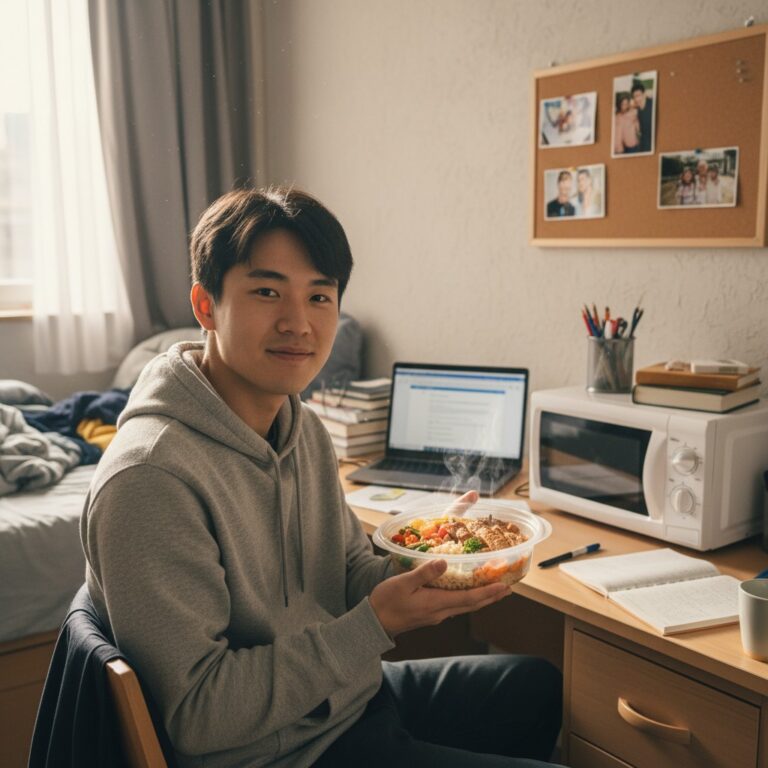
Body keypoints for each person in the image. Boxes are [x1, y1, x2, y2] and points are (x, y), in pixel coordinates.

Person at [80, 186, 563, 768]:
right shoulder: (151, 479)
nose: (298, 323)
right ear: (205, 305)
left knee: (537, 686)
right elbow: (199, 716)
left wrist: (430, 554)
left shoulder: (299, 425)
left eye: (319, 296)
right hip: (275, 754)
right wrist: (373, 626)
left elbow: (346, 572)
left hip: (341, 701)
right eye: (267, 292)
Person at [631, 80, 654, 153]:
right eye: (635, 96)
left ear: (644, 94)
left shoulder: (652, 105)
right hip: (644, 143)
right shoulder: (636, 110)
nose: (637, 99)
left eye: (638, 95)